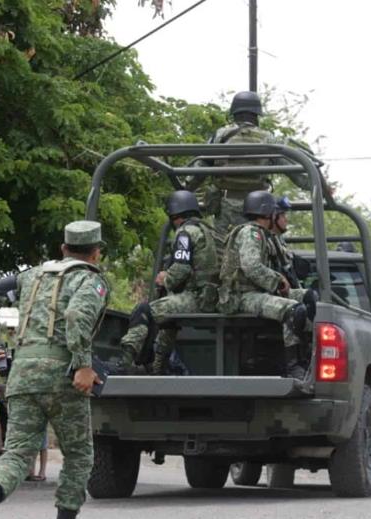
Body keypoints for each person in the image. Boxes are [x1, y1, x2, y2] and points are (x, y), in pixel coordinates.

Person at [0, 220, 108, 519]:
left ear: (63, 248)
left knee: (16, 453)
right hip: (61, 377)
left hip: (23, 373)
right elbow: (76, 318)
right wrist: (84, 366)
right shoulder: (91, 280)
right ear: (96, 253)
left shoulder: (31, 275)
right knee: (79, 455)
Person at [217, 191, 317, 380]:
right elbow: (251, 266)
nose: (282, 218)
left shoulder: (263, 235)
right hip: (241, 295)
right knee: (294, 310)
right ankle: (293, 367)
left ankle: (307, 354)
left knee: (309, 297)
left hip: (257, 292)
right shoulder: (250, 233)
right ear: (268, 214)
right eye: (278, 213)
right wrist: (277, 280)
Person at [186, 91, 311, 240]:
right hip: (258, 208)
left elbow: (199, 169)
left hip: (226, 206)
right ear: (257, 115)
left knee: (224, 250)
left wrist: (183, 190)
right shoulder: (268, 138)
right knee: (255, 248)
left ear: (234, 113)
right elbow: (296, 173)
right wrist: (320, 187)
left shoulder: (220, 135)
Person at [119, 190, 220, 374]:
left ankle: (125, 362)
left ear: (175, 215)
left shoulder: (185, 233)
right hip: (210, 297)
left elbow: (181, 268)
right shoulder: (207, 231)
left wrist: (165, 278)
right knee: (167, 319)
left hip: (196, 299)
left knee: (144, 311)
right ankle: (157, 367)